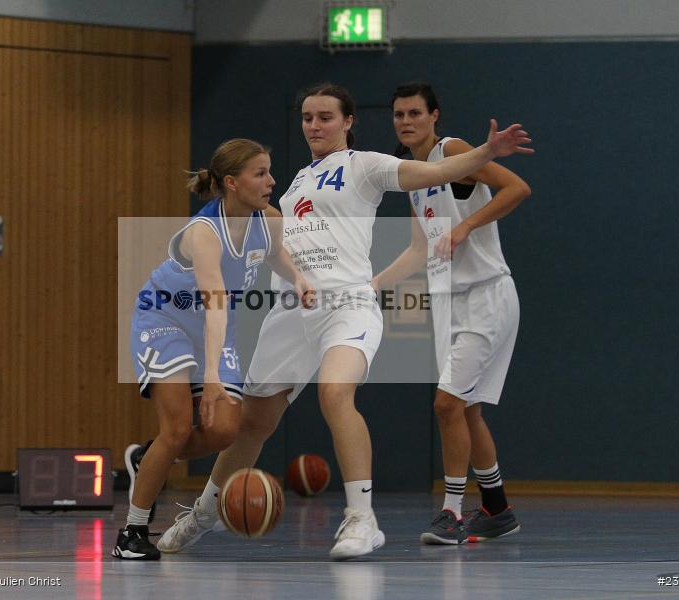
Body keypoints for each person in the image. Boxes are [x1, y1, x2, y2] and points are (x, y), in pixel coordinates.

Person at [156, 82, 533, 560]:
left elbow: (436, 169)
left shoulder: (365, 166)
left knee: (336, 393)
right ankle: (205, 514)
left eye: (325, 117)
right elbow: (276, 241)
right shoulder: (292, 184)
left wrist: (485, 151)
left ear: (348, 122)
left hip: (347, 306)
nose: (315, 125)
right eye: (308, 117)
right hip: (292, 312)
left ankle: (361, 519)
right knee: (252, 423)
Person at [113, 139, 313, 560]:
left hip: (213, 329)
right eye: (260, 173)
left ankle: (147, 459)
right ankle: (131, 533)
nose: (271, 180)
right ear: (231, 183)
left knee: (224, 429)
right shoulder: (205, 234)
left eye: (269, 170)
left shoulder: (268, 218)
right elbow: (216, 306)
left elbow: (274, 254)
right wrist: (210, 377)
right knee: (179, 427)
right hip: (165, 318)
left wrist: (297, 277)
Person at [373, 82, 532, 544]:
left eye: (414, 113)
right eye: (399, 114)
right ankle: (498, 509)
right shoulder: (413, 173)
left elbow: (517, 187)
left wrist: (465, 226)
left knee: (447, 405)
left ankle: (451, 513)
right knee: (468, 411)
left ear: (434, 116)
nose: (405, 121)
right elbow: (420, 247)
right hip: (448, 300)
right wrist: (375, 284)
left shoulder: (453, 150)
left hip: (486, 294)